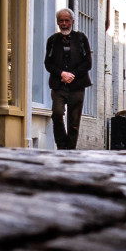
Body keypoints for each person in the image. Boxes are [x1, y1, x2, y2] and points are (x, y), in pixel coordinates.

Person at [44, 8, 92, 150]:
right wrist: (62, 74)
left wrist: (73, 74)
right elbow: (48, 63)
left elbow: (87, 63)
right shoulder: (52, 40)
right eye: (61, 21)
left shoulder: (81, 39)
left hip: (77, 87)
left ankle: (70, 150)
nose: (64, 23)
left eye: (67, 20)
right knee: (57, 114)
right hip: (58, 86)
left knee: (74, 121)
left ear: (72, 22)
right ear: (58, 22)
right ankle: (61, 145)